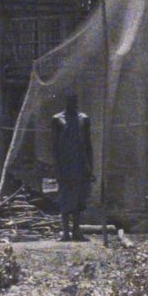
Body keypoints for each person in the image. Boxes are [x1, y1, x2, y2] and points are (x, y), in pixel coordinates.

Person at [50, 93, 94, 241]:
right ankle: (65, 232)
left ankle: (76, 231)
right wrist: (56, 167)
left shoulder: (84, 119)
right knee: (64, 197)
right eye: (69, 100)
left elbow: (88, 145)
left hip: (80, 164)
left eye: (74, 100)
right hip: (64, 164)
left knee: (79, 198)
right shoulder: (57, 119)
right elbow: (54, 147)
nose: (72, 103)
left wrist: (90, 166)